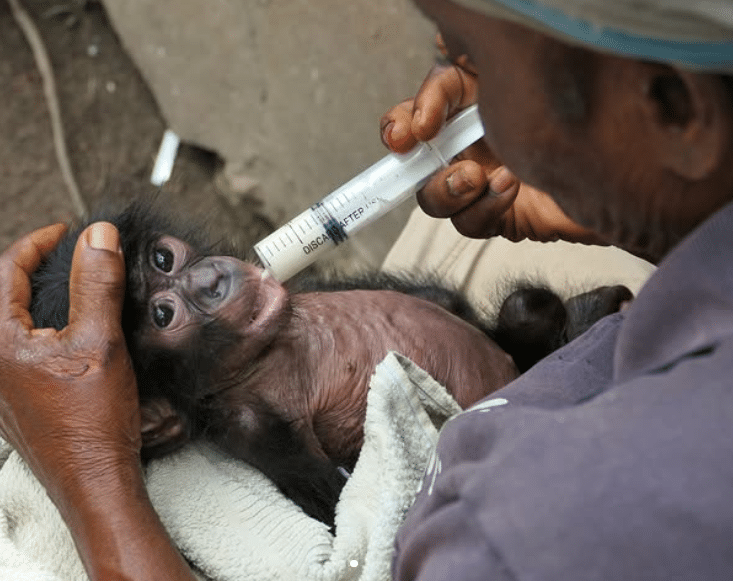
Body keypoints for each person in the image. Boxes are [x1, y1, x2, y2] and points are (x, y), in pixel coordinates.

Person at [0, 0, 732, 579]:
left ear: (672, 108)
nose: (199, 277)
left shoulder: (509, 535)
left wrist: (89, 476)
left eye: (475, 59)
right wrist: (637, 196)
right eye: (164, 307)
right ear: (158, 416)